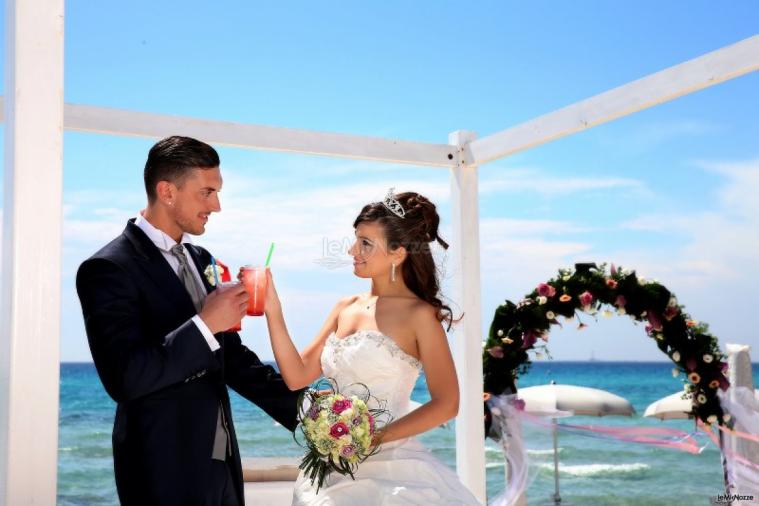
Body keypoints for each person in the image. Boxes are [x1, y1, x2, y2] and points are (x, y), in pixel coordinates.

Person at [76, 136, 303, 506]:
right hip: (160, 469)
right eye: (207, 192)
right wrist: (205, 323)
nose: (217, 205)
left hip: (222, 465)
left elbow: (229, 358)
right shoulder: (107, 268)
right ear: (167, 191)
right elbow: (125, 377)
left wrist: (313, 414)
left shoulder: (201, 258)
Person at [261, 189, 481, 505]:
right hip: (331, 467)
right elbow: (296, 376)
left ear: (397, 253)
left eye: (365, 242)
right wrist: (273, 309)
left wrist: (373, 439)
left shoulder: (419, 315)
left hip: (395, 470)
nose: (352, 249)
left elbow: (447, 404)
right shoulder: (344, 307)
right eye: (355, 239)